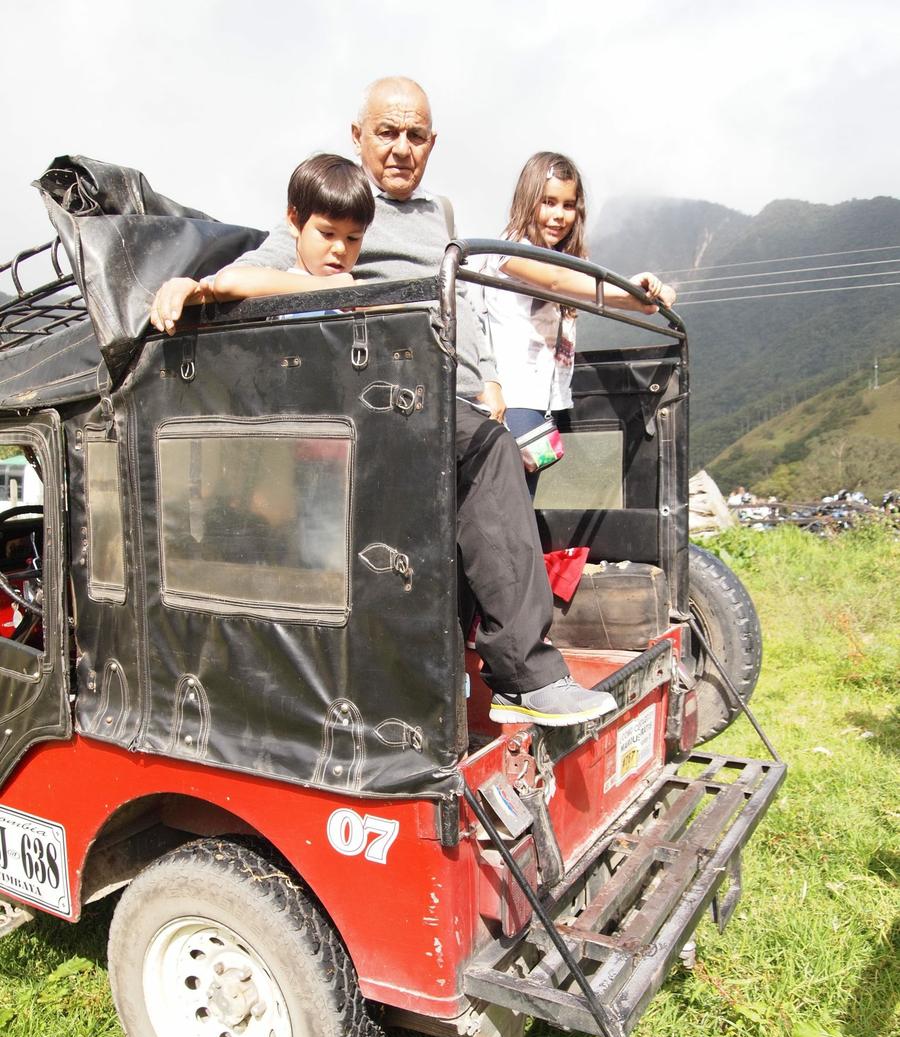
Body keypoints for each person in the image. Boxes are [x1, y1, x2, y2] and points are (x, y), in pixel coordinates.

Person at [149, 77, 617, 728]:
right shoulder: (339, 204)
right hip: (379, 398)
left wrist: (486, 373)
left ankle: (454, 684)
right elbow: (255, 272)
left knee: (481, 478)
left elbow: (461, 300)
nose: (401, 148)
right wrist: (196, 287)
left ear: (432, 143)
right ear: (358, 135)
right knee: (485, 454)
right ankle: (524, 673)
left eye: (415, 135)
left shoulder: (439, 215)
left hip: (449, 396)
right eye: (387, 132)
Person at [480, 151, 677, 496]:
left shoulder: (566, 261)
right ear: (528, 201)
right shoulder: (508, 251)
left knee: (522, 500)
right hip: (513, 399)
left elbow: (571, 282)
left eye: (568, 205)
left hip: (546, 401)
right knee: (510, 505)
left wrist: (652, 293)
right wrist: (637, 297)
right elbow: (557, 282)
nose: (558, 216)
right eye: (548, 202)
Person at [149, 154, 375, 327]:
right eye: (327, 234)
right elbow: (228, 282)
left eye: (353, 238)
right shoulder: (281, 281)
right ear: (295, 222)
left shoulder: (356, 294)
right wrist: (330, 288)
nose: (340, 248)